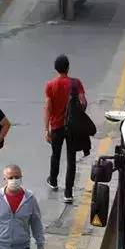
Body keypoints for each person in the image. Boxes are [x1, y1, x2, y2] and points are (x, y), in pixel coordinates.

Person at [43, 55, 87, 203]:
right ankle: (68, 193)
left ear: (56, 68)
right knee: (71, 159)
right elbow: (83, 102)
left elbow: (48, 108)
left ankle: (53, 180)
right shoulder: (76, 83)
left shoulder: (50, 85)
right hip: (72, 127)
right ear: (68, 67)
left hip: (56, 126)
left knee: (55, 154)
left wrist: (46, 129)